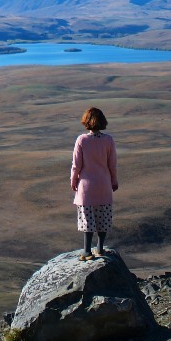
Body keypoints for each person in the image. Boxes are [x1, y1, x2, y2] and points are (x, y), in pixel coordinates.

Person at [69, 106, 118, 259]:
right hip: (104, 185)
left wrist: (73, 180)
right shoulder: (108, 140)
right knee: (103, 218)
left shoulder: (82, 140)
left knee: (87, 219)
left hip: (86, 187)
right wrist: (114, 181)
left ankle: (87, 251)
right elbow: (112, 164)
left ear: (86, 121)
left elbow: (76, 164)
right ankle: (100, 248)